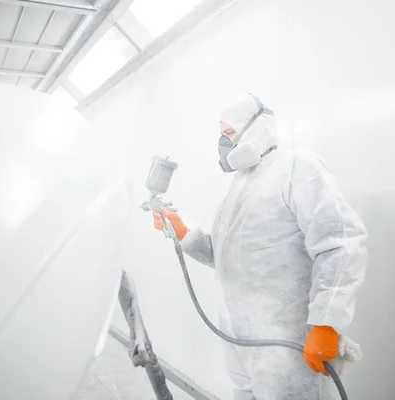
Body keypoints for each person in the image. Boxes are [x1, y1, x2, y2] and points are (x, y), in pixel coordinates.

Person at [152, 93, 368, 400]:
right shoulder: (239, 185)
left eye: (229, 133)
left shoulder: (298, 167)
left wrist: (327, 322)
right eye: (222, 136)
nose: (224, 144)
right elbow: (226, 255)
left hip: (289, 343)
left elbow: (340, 244)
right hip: (240, 340)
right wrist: (183, 231)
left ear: (255, 128)